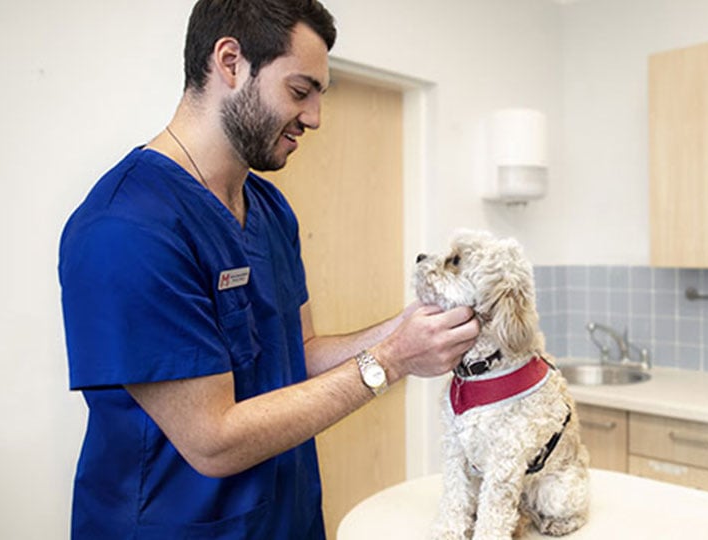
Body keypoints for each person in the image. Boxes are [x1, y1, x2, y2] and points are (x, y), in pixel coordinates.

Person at [58, 1, 479, 538]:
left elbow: (297, 355)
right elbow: (212, 440)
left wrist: (411, 329)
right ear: (230, 62)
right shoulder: (128, 226)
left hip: (288, 519)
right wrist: (392, 360)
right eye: (300, 91)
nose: (314, 118)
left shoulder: (269, 209)